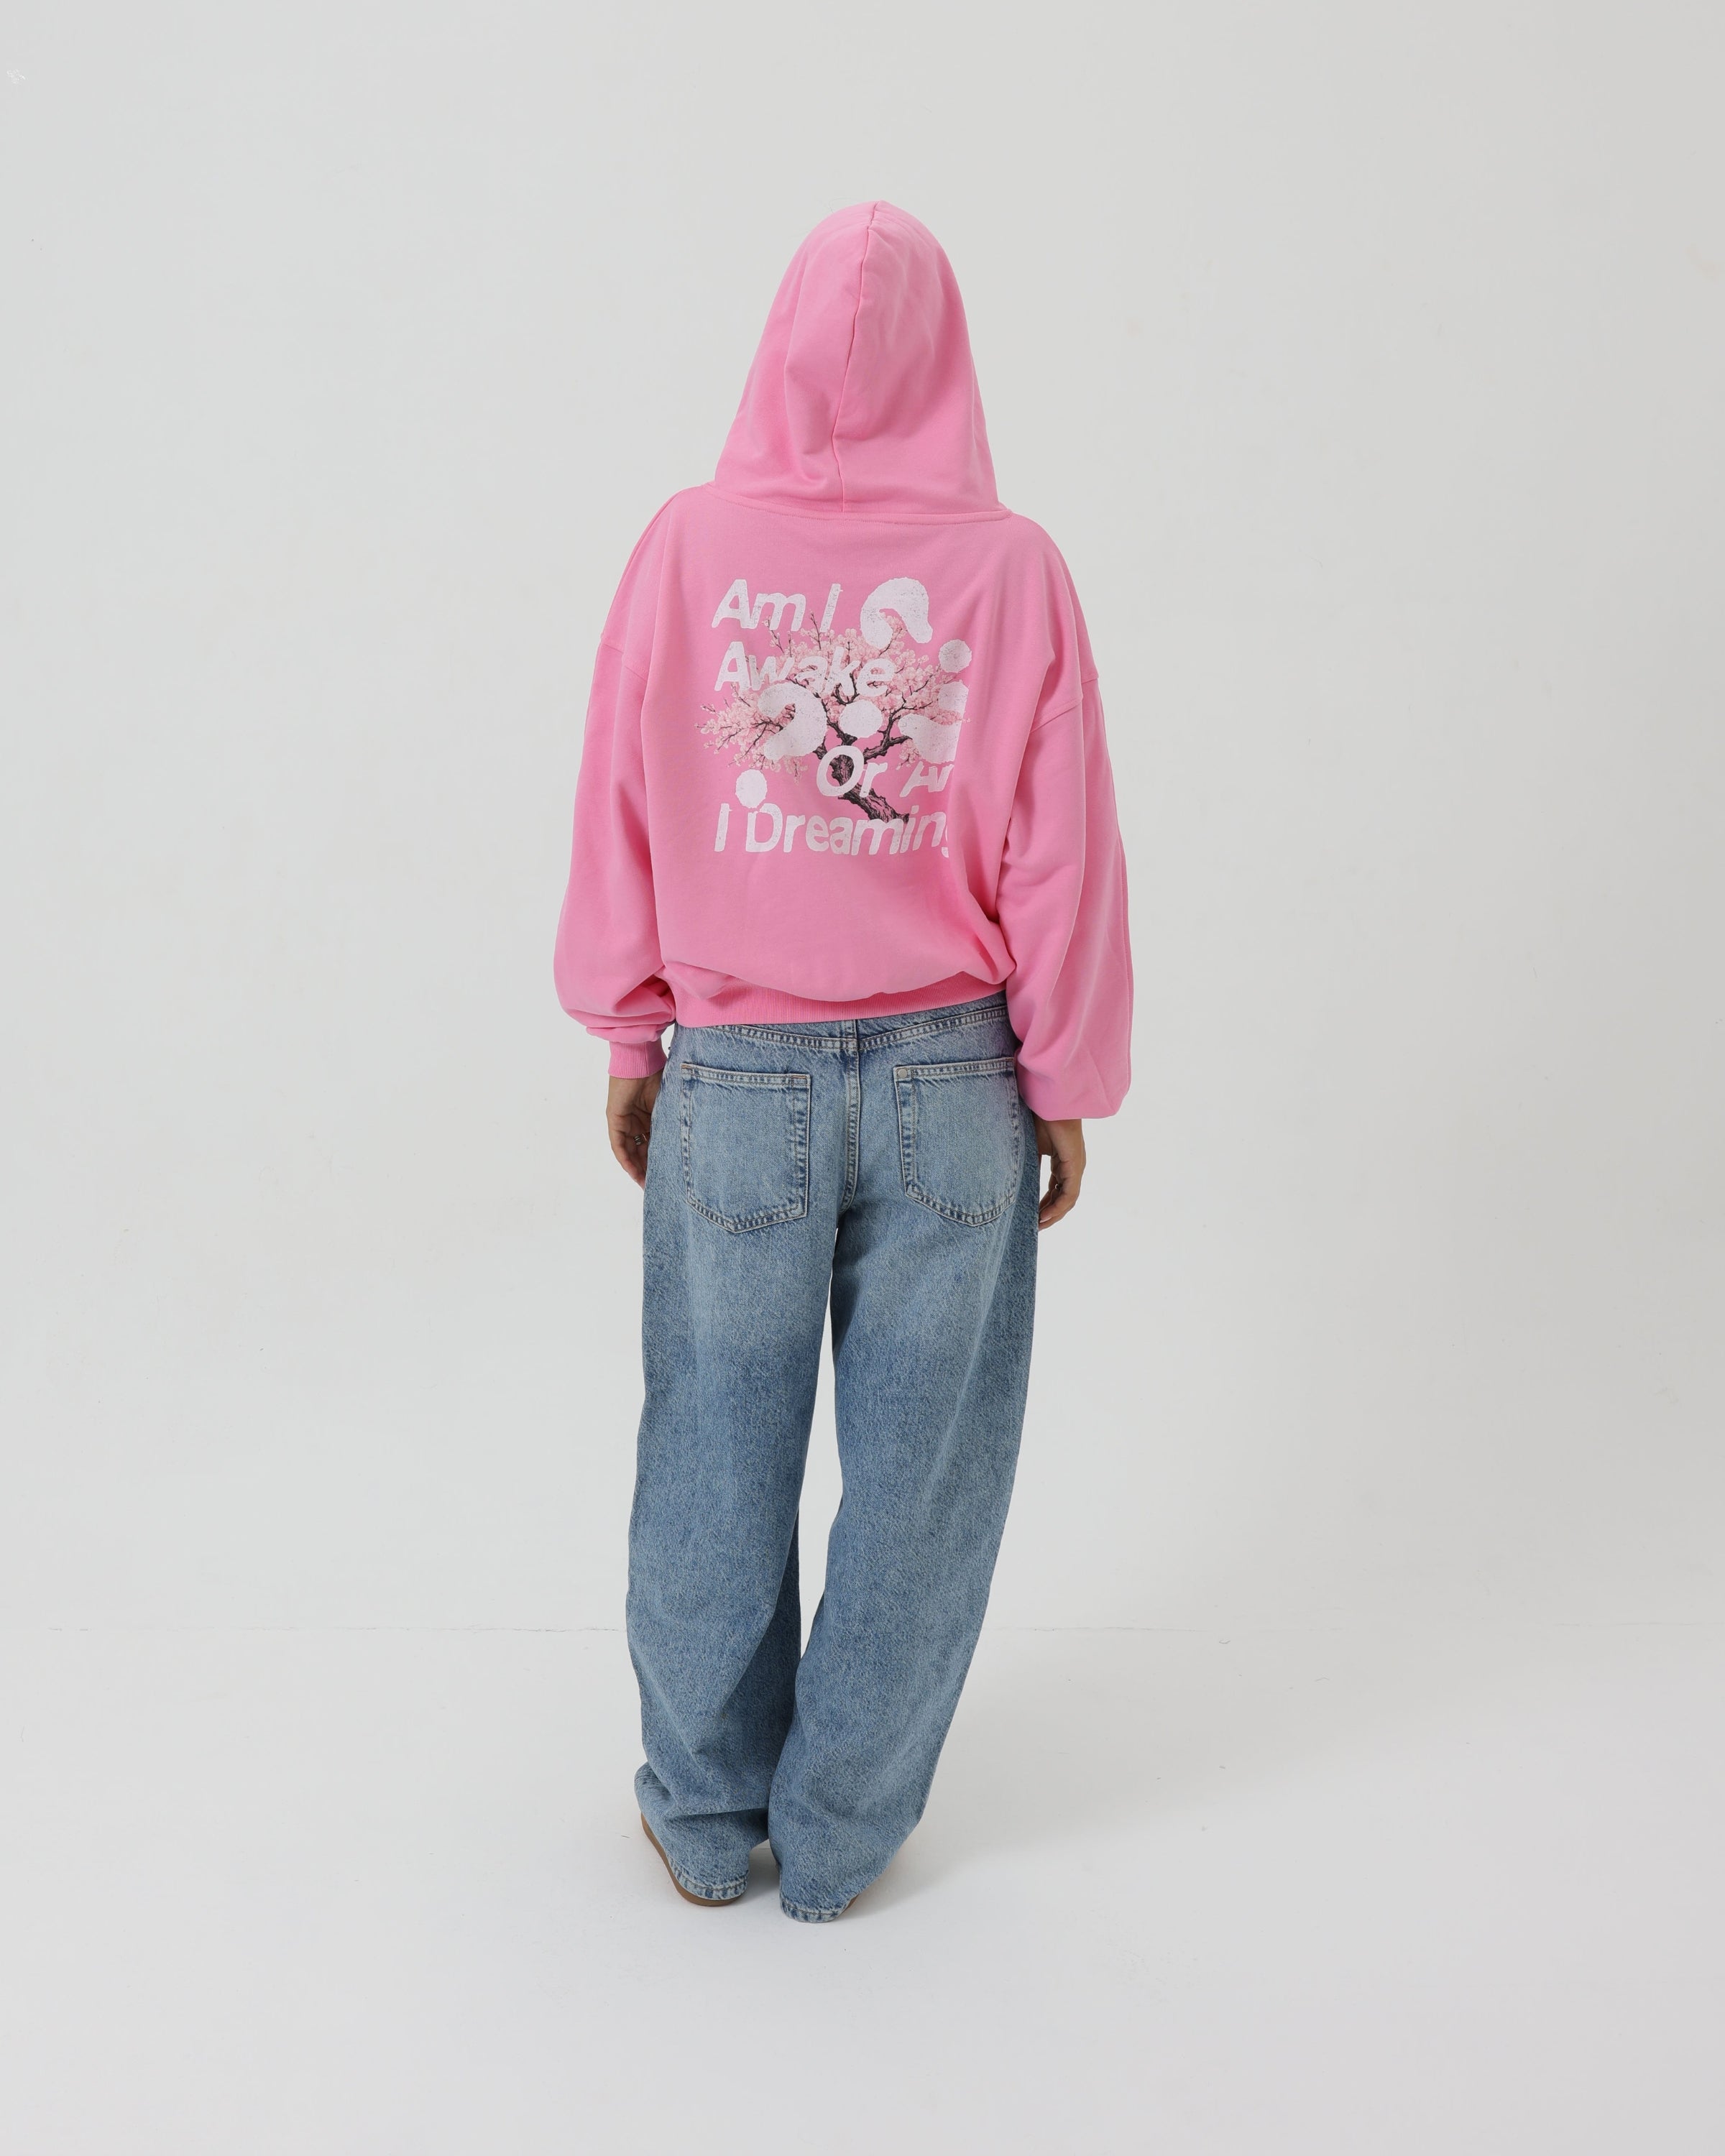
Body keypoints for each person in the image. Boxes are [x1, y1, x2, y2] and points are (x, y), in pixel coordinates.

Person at [553, 202, 1131, 1922]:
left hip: (736, 1073)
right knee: (924, 1478)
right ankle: (844, 1835)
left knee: (710, 1446)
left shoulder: (685, 549)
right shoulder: (1014, 572)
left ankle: (706, 1814)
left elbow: (625, 797)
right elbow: (1062, 853)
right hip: (957, 1081)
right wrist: (1064, 1078)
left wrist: (632, 1027)